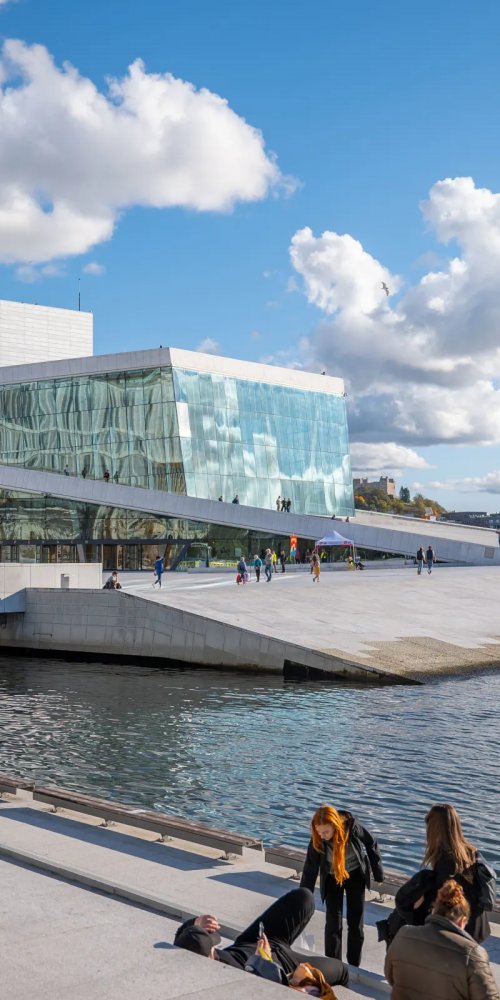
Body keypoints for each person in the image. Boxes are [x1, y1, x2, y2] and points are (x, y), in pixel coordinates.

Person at [174, 886, 349, 989]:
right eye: (212, 949)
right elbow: (267, 988)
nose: (215, 948)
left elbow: (181, 936)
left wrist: (196, 922)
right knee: (341, 970)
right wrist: (264, 961)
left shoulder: (188, 947)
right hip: (280, 963)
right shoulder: (223, 981)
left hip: (250, 940)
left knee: (304, 897)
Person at [385, 879, 500, 1000]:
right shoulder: (473, 954)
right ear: (462, 920)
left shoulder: (404, 934)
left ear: (434, 911)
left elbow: (391, 976)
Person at [300, 804, 384, 966]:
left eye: (326, 832)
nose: (322, 836)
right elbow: (310, 868)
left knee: (355, 923)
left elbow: (371, 842)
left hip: (355, 875)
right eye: (319, 832)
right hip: (332, 877)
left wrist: (378, 873)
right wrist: (304, 896)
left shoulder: (352, 828)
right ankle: (333, 964)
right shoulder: (318, 838)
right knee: (333, 923)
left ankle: (354, 965)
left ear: (335, 826)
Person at [421, 803, 492, 943]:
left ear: (434, 828)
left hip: (461, 926)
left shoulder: (447, 860)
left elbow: (442, 897)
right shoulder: (470, 852)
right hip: (476, 922)